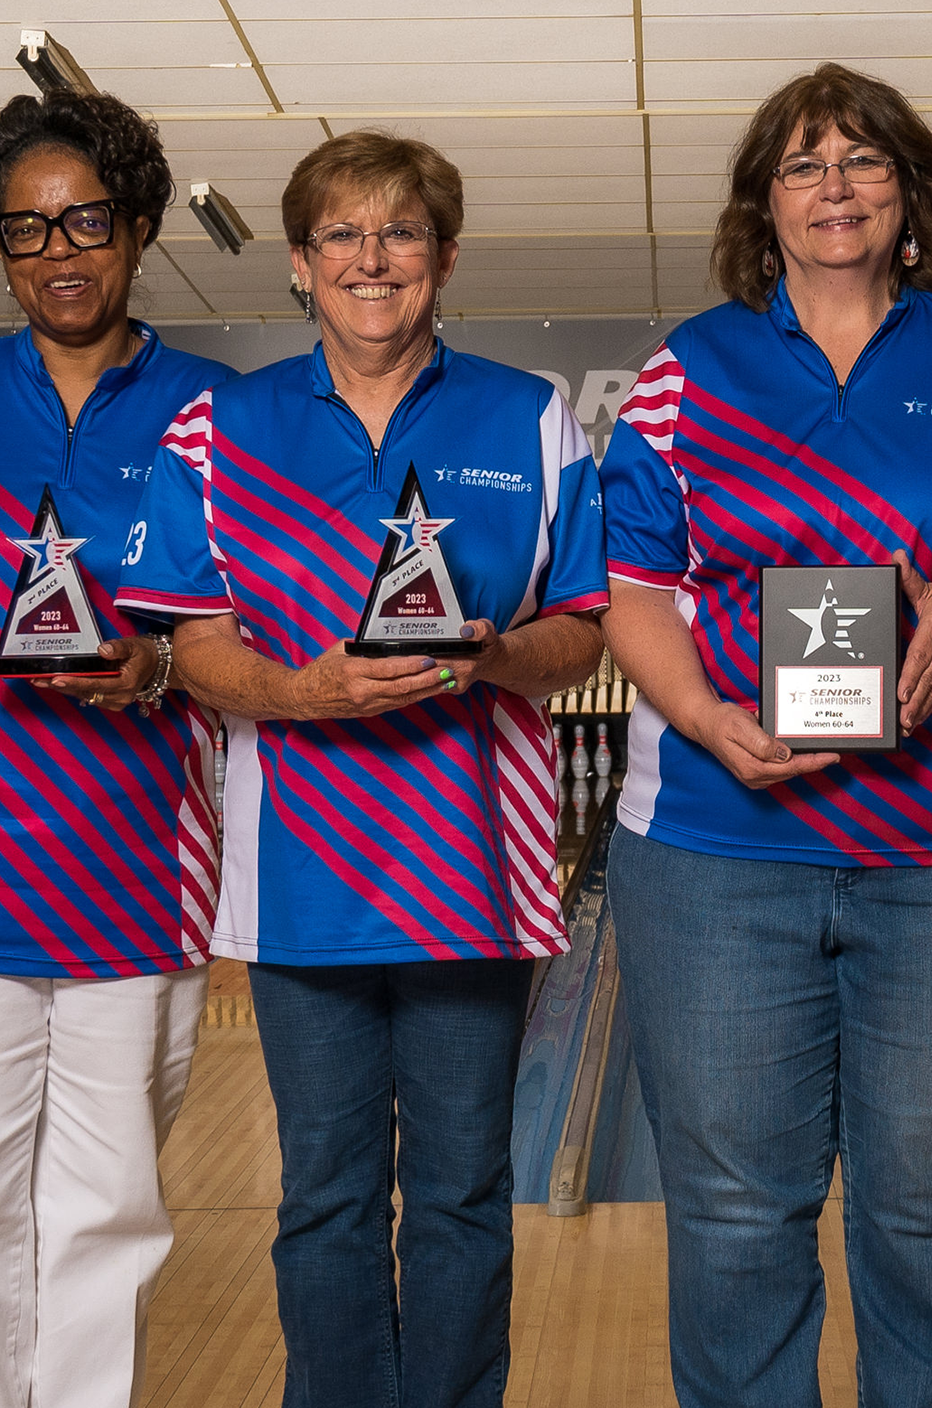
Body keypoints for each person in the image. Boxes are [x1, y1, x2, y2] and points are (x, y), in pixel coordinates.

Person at [116, 129, 606, 1408]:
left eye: (398, 234)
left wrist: (498, 654)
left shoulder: (530, 414)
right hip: (299, 885)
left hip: (475, 879)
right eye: (343, 234)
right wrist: (305, 691)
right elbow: (193, 645)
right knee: (325, 1194)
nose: (371, 258)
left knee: (459, 1192)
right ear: (298, 263)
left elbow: (588, 630)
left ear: (443, 259)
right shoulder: (221, 423)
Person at [597, 63, 932, 1408]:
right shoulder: (689, 371)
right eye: (804, 164)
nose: (836, 187)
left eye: (864, 161)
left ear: (908, 196)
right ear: (768, 203)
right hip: (715, 851)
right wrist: (703, 716)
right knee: (739, 1219)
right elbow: (632, 593)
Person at [0, 89, 233, 1408]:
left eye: (83, 220)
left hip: (139, 886)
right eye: (24, 230)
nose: (56, 251)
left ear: (134, 226)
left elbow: (254, 635)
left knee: (104, 1222)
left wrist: (157, 663)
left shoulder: (217, 413)